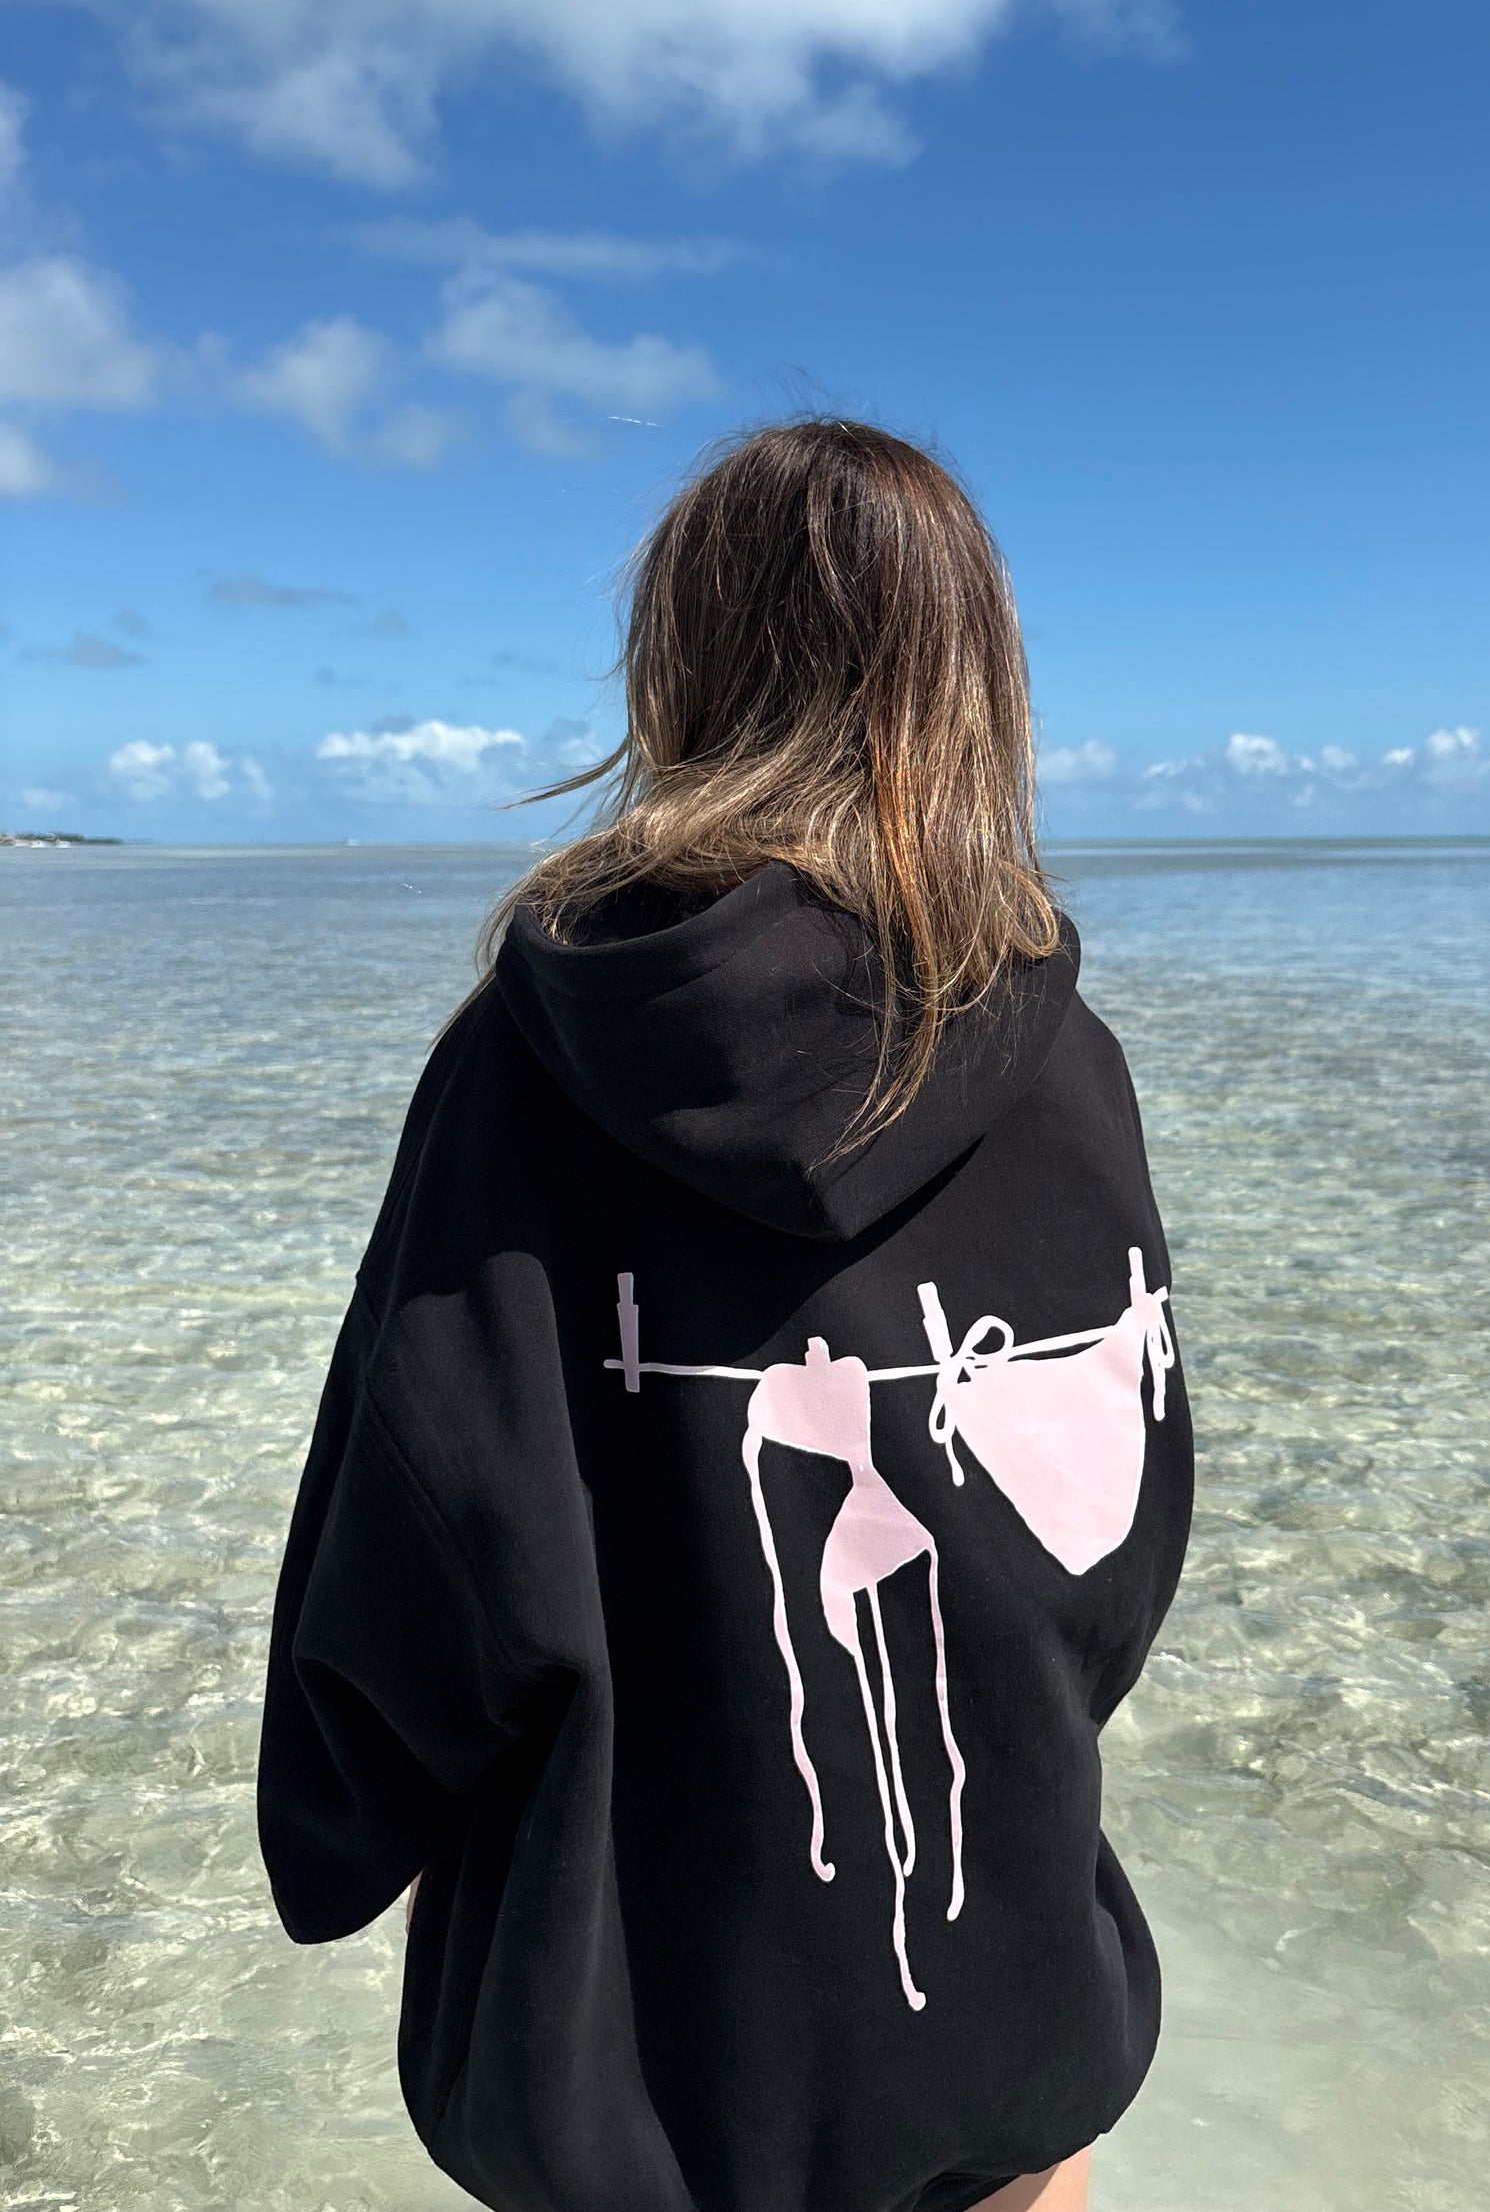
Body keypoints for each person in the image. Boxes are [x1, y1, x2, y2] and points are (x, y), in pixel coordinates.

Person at [257, 419, 1194, 2212]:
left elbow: (418, 1524)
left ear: (678, 664)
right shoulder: (1064, 1062)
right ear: (973, 684)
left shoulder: (522, 1071)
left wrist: (343, 1821)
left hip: (617, 2022)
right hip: (998, 1982)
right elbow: (1118, 1521)